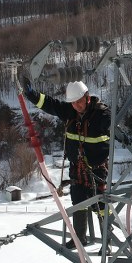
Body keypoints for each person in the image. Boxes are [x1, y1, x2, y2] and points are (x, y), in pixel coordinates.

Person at [23, 78, 111, 248]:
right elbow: (50, 104)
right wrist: (32, 95)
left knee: (100, 205)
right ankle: (79, 238)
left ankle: (106, 240)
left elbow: (111, 123)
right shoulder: (70, 111)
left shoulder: (102, 114)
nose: (77, 106)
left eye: (79, 102)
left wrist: (115, 130)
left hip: (97, 169)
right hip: (77, 168)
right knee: (78, 201)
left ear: (87, 97)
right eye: (73, 103)